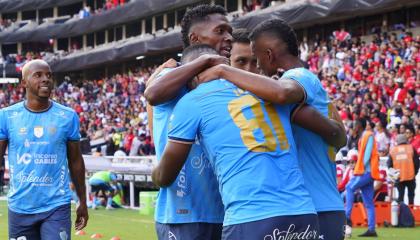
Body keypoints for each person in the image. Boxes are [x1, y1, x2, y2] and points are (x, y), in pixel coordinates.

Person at [197, 19, 347, 240]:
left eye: (256, 61)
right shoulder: (296, 87)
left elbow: (284, 94)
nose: (254, 69)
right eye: (242, 62)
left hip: (315, 207)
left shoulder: (297, 79)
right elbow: (338, 135)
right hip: (314, 206)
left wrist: (222, 71)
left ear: (268, 55)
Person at [153, 44, 319, 239]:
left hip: (250, 218)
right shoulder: (266, 90)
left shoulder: (192, 101)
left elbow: (165, 176)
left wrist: (154, 173)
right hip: (303, 214)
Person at [144, 5, 229, 240]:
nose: (228, 37)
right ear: (195, 38)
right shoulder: (170, 76)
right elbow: (153, 94)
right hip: (182, 216)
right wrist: (203, 61)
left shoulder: (227, 82)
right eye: (220, 31)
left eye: (229, 32)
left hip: (226, 214)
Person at [0, 59, 88, 239]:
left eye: (48, 75)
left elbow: (76, 161)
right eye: (38, 75)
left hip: (56, 206)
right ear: (24, 82)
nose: (46, 79)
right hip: (19, 207)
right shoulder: (6, 116)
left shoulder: (67, 116)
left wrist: (82, 201)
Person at [345, 119, 379, 237]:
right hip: (367, 172)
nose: (353, 127)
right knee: (368, 203)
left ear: (359, 126)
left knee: (349, 187)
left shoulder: (368, 136)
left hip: (366, 172)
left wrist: (359, 170)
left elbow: (366, 156)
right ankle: (371, 230)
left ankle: (347, 217)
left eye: (354, 125)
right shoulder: (363, 137)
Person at [388, 134, 419, 204]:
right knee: (411, 196)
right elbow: (417, 163)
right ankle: (411, 212)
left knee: (400, 197)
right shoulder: (411, 148)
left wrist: (394, 177)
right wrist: (414, 173)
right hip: (411, 176)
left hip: (399, 177)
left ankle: (401, 213)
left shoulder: (393, 150)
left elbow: (389, 165)